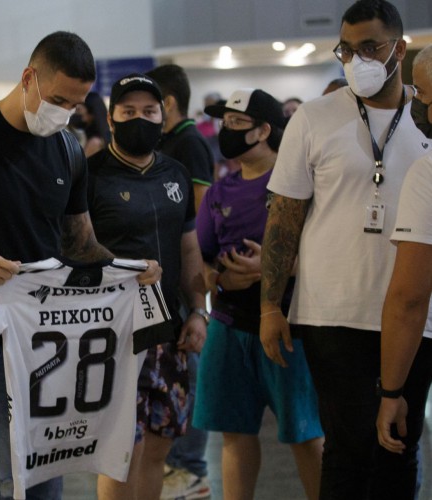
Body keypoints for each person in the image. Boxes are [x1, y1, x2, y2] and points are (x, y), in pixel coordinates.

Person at [0, 32, 160, 499]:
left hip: (46, 341)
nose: (64, 112)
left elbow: (80, 243)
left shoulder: (65, 148)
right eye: (58, 99)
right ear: (28, 78)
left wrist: (128, 269)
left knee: (45, 473)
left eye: (76, 104)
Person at [259, 1, 431, 498]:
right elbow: (284, 217)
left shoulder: (428, 118)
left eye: (371, 48)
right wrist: (271, 304)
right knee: (348, 447)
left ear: (399, 49)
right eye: (347, 50)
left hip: (416, 314)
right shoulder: (313, 119)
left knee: (401, 444)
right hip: (331, 312)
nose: (358, 60)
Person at [193, 88, 323, 500]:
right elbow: (202, 261)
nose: (227, 131)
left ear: (265, 130)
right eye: (224, 123)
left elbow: (327, 254)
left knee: (305, 434)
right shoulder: (219, 192)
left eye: (237, 124)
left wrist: (273, 268)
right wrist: (218, 280)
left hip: (290, 326)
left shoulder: (300, 184)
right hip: (229, 326)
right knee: (233, 433)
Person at [87, 73, 207, 500]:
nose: (140, 118)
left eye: (149, 112)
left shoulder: (175, 171)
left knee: (159, 446)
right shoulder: (90, 175)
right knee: (121, 453)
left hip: (169, 332)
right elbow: (72, 252)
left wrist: (198, 310)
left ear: (164, 115)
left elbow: (189, 247)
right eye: (129, 111)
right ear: (112, 117)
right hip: (114, 337)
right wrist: (119, 270)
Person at [143, 64, 213, 500]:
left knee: (189, 372)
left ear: (167, 103)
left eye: (147, 107)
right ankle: (179, 465)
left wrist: (198, 291)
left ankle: (190, 469)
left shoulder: (189, 144)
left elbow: (200, 219)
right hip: (164, 281)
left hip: (187, 282)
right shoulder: (169, 142)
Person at [376, 45, 432, 456]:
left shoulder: (428, 173)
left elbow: (410, 297)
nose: (420, 106)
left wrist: (392, 390)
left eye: (426, 96)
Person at [147, 64, 214, 212]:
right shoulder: (167, 138)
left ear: (168, 103)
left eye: (150, 102)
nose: (145, 109)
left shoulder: (190, 142)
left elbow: (201, 202)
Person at [70, 91, 111, 157]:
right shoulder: (101, 137)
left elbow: (80, 166)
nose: (74, 114)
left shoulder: (95, 143)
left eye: (78, 110)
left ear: (91, 115)